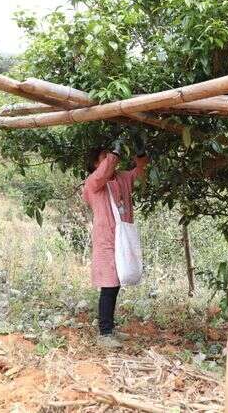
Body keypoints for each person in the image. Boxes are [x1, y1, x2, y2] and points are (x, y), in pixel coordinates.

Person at [83, 132, 149, 349]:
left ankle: (109, 328)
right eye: (104, 157)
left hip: (122, 239)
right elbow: (104, 173)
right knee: (108, 285)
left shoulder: (121, 178)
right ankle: (104, 332)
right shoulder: (93, 183)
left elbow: (141, 173)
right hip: (106, 241)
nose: (110, 159)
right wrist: (116, 151)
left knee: (116, 284)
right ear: (95, 164)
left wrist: (140, 153)